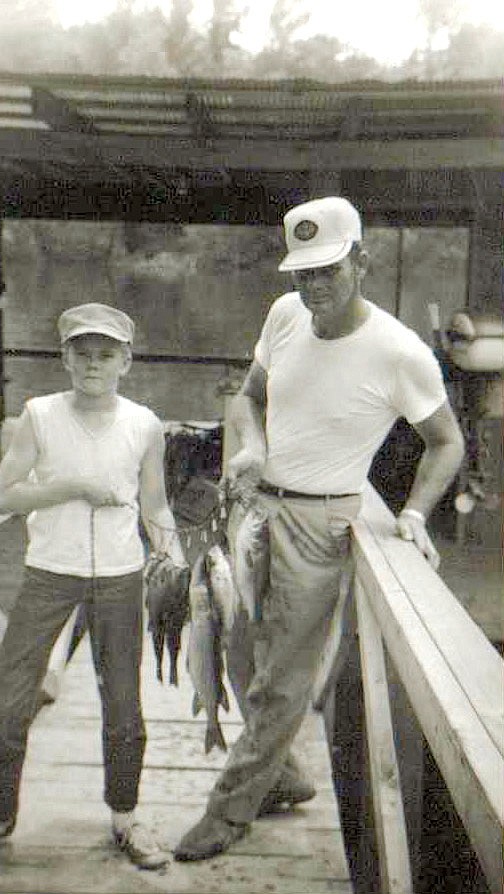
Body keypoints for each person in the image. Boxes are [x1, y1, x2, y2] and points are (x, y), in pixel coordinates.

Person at [174, 195, 465, 861]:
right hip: (257, 510)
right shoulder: (284, 315)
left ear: (362, 261)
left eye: (328, 270)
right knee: (239, 652)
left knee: (283, 678)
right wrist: (248, 448)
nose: (313, 287)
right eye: (303, 273)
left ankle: (227, 813)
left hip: (324, 521)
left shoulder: (400, 351)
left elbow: (446, 443)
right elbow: (249, 396)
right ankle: (281, 777)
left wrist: (414, 514)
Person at [0, 302, 187, 871]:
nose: (93, 364)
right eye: (82, 353)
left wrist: (173, 559)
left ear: (126, 361)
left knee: (124, 705)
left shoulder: (144, 424)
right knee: (7, 704)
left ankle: (125, 817)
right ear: (65, 357)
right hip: (49, 572)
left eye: (106, 354)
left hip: (121, 578)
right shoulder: (39, 415)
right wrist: (71, 485)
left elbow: (155, 504)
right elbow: (4, 496)